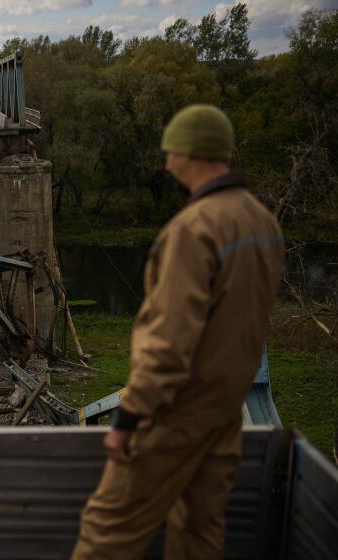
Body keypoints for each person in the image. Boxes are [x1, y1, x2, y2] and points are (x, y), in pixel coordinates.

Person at [71, 105, 284, 559]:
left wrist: (128, 419)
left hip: (175, 416)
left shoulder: (194, 229)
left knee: (107, 531)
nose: (166, 161)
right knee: (199, 536)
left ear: (191, 153)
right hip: (224, 417)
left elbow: (169, 341)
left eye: (171, 150)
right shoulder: (262, 223)